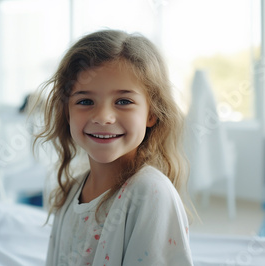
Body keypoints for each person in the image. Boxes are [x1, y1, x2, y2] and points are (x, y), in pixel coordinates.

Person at [34, 29, 194, 265]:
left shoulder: (149, 193)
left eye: (123, 101)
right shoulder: (70, 192)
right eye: (85, 101)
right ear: (66, 112)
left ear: (151, 114)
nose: (103, 117)